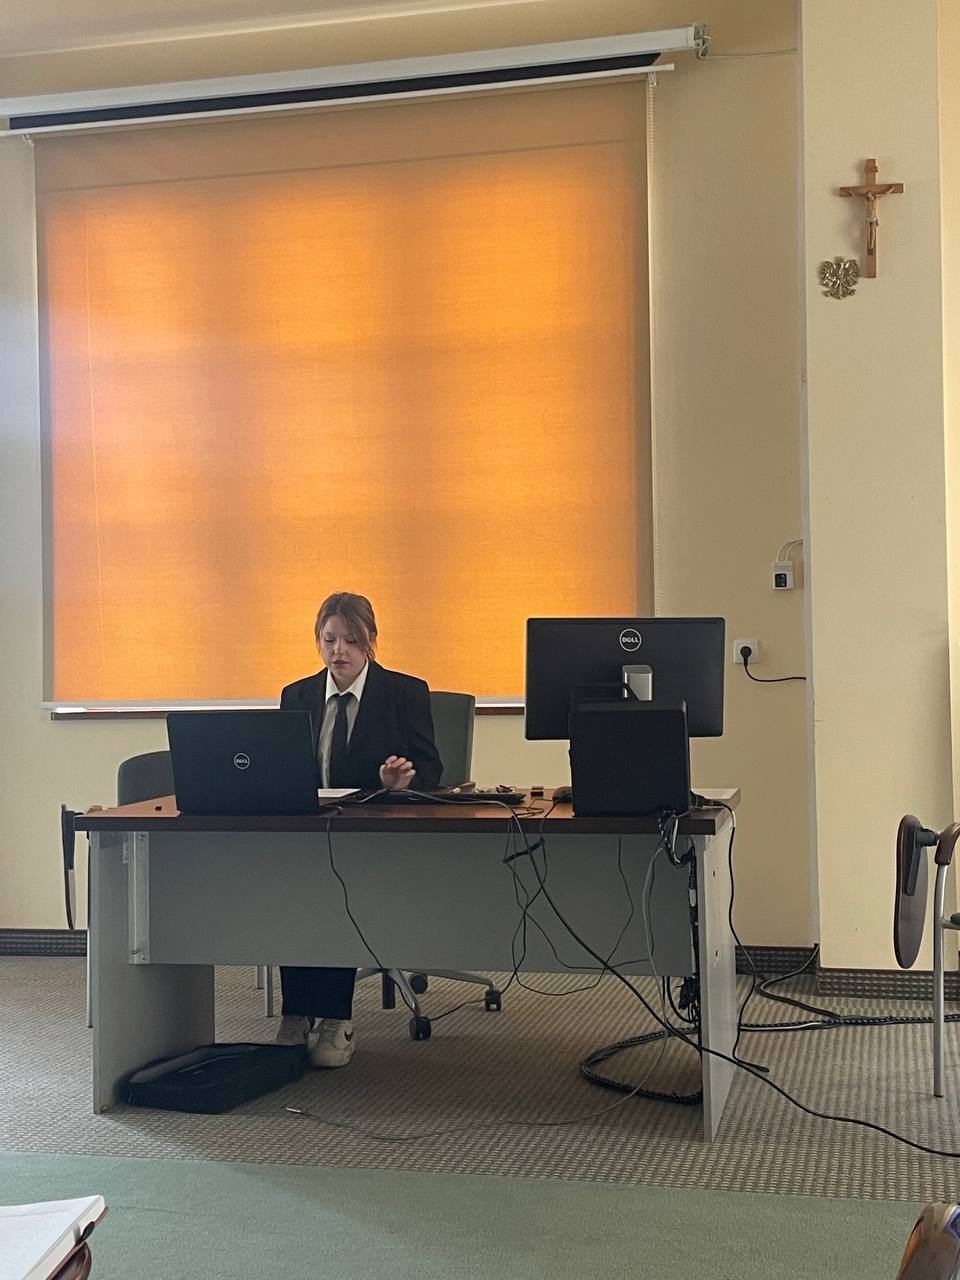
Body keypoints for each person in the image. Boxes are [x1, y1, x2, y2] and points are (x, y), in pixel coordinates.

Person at [274, 592, 442, 1067]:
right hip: (311, 832)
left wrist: (397, 782)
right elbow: (282, 767)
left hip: (377, 833)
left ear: (370, 641)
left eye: (350, 640)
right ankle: (298, 1012)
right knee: (291, 885)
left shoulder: (404, 693)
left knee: (332, 886)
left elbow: (433, 770)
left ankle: (334, 1019)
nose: (338, 651)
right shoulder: (297, 695)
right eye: (329, 640)